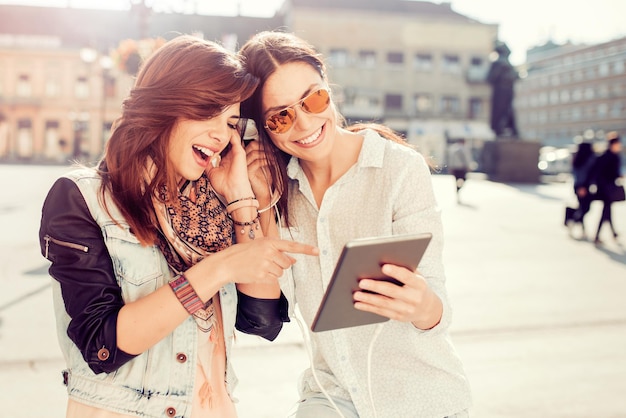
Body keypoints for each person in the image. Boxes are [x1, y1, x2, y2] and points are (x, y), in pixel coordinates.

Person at [38, 34, 318, 418]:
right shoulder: (82, 199)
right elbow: (101, 345)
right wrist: (219, 268)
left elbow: (262, 320)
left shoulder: (214, 205)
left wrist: (241, 202)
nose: (221, 136)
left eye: (231, 122)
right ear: (165, 105)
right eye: (209, 113)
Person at [239, 31, 471, 418]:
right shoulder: (278, 190)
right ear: (262, 129)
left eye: (314, 99)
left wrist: (421, 304)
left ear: (329, 88)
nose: (305, 123)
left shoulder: (398, 168)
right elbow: (268, 312)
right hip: (331, 398)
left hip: (421, 398)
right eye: (280, 116)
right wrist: (261, 202)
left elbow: (438, 311)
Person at [590, 132, 623, 244]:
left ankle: (612, 232)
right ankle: (597, 236)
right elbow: (602, 173)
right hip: (606, 189)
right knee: (606, 212)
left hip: (606, 188)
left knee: (607, 211)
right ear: (613, 144)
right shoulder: (608, 156)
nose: (620, 146)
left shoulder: (611, 156)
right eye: (618, 144)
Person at [487, 41, 519, 138]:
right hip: (500, 91)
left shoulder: (509, 64)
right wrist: (500, 70)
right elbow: (490, 78)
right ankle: (499, 129)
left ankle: (512, 130)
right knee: (500, 111)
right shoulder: (497, 63)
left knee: (509, 111)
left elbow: (515, 77)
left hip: (508, 91)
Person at [568, 141, 596, 237]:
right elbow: (586, 174)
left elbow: (575, 174)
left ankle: (583, 230)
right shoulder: (589, 159)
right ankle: (573, 220)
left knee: (582, 207)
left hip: (578, 186)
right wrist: (582, 187)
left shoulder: (576, 158)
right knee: (585, 208)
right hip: (583, 186)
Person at [447, 138, 474, 202]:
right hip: (461, 168)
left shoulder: (453, 148)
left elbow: (450, 159)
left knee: (457, 179)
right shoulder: (464, 149)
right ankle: (458, 188)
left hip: (455, 167)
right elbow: (467, 158)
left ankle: (457, 188)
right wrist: (469, 166)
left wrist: (450, 167)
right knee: (463, 178)